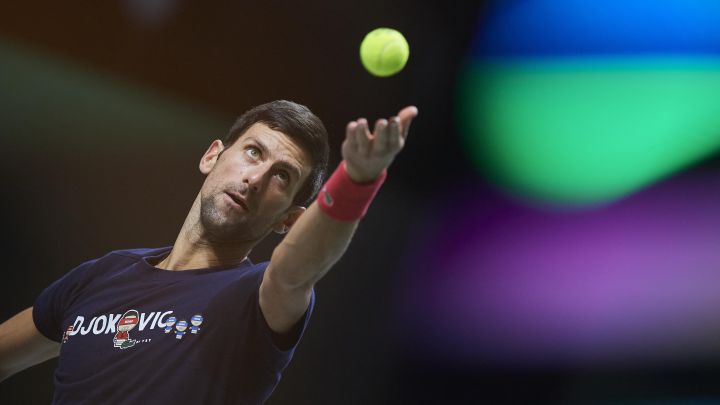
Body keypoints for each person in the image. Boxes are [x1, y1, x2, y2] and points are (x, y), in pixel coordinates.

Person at [0, 100, 418, 404]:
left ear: (287, 220)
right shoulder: (100, 276)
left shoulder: (256, 299)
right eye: (254, 152)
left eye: (281, 176)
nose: (256, 178)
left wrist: (357, 181)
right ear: (212, 156)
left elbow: (295, 268)